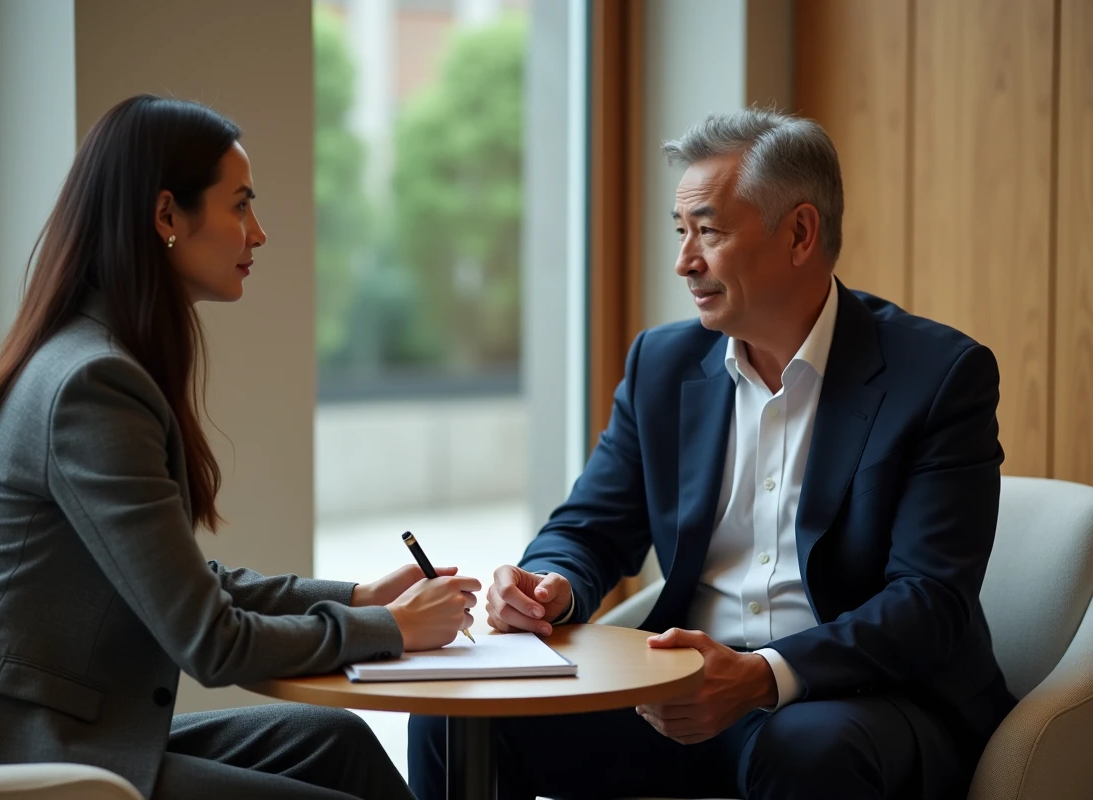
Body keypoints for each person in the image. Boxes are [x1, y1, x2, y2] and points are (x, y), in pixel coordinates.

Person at [409, 108, 1017, 799]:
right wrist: (552, 585)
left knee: (803, 750)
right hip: (682, 693)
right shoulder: (663, 366)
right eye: (681, 232)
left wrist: (763, 676)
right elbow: (590, 527)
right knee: (455, 717)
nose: (683, 261)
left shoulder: (936, 376)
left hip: (861, 697)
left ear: (799, 233)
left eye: (709, 231)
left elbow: (928, 602)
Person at [0, 94, 480, 800]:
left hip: (57, 725)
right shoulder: (93, 385)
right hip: (4, 750)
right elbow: (211, 639)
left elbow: (182, 583)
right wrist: (388, 628)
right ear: (167, 215)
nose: (258, 233)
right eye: (239, 206)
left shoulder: (94, 358)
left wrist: (356, 595)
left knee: (336, 741)